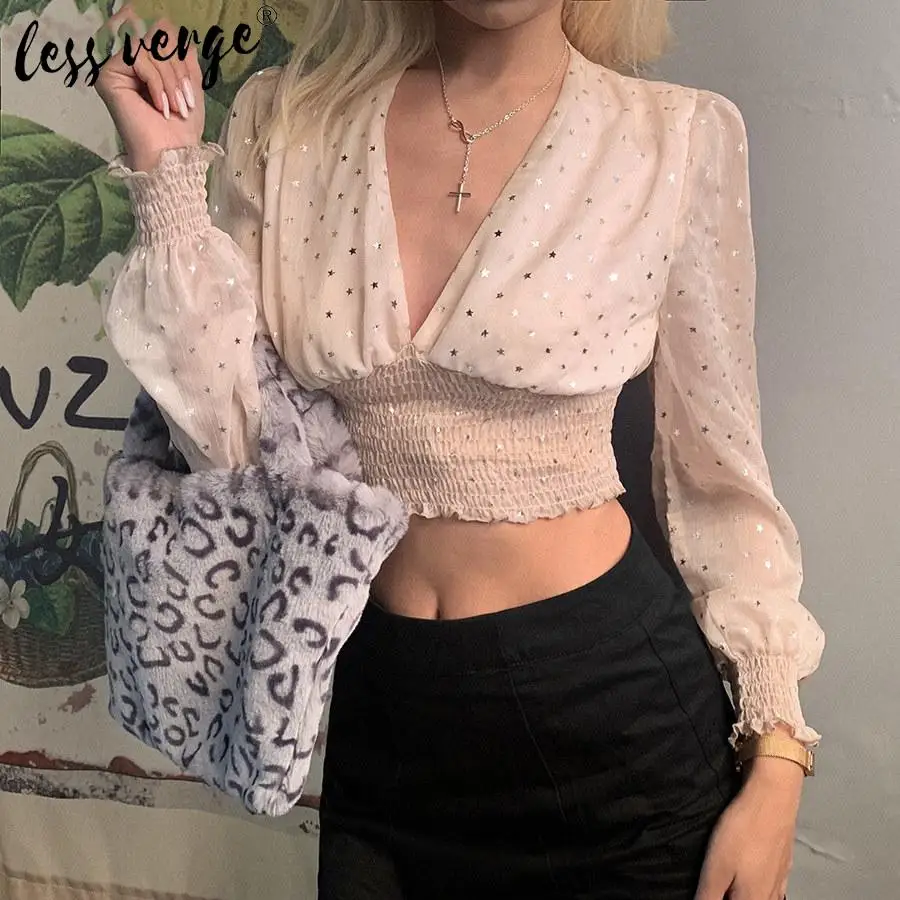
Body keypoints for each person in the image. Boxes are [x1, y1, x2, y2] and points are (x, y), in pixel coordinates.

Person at [94, 1, 825, 897]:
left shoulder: (673, 139)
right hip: (382, 707)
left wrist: (777, 759)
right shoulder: (285, 122)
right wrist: (167, 177)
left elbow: (722, 483)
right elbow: (235, 452)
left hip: (610, 715)